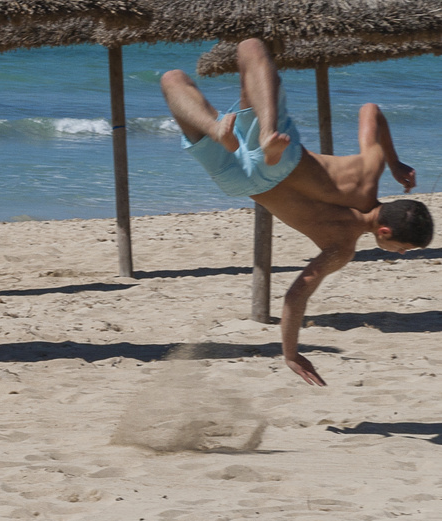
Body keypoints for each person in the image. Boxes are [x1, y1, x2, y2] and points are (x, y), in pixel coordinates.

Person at [161, 38, 431, 385]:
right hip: (244, 183)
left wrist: (394, 163)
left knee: (249, 49)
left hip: (281, 158)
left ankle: (224, 128)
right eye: (404, 248)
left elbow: (370, 110)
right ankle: (225, 133)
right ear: (385, 232)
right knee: (170, 82)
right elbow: (295, 296)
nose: (401, 254)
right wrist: (290, 353)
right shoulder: (340, 247)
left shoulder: (369, 170)